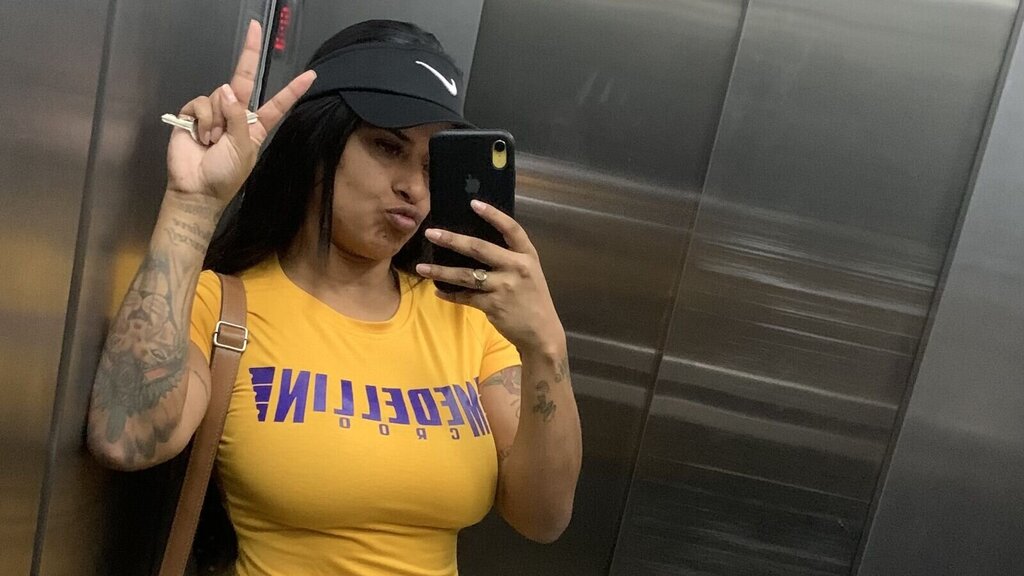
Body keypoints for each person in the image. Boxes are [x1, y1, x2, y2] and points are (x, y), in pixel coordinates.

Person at [86, 18, 582, 576]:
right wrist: (192, 204)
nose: (413, 187)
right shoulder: (222, 306)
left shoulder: (464, 317)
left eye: (430, 165)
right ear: (318, 144)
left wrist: (546, 345)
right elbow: (125, 439)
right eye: (388, 147)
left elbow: (542, 518)